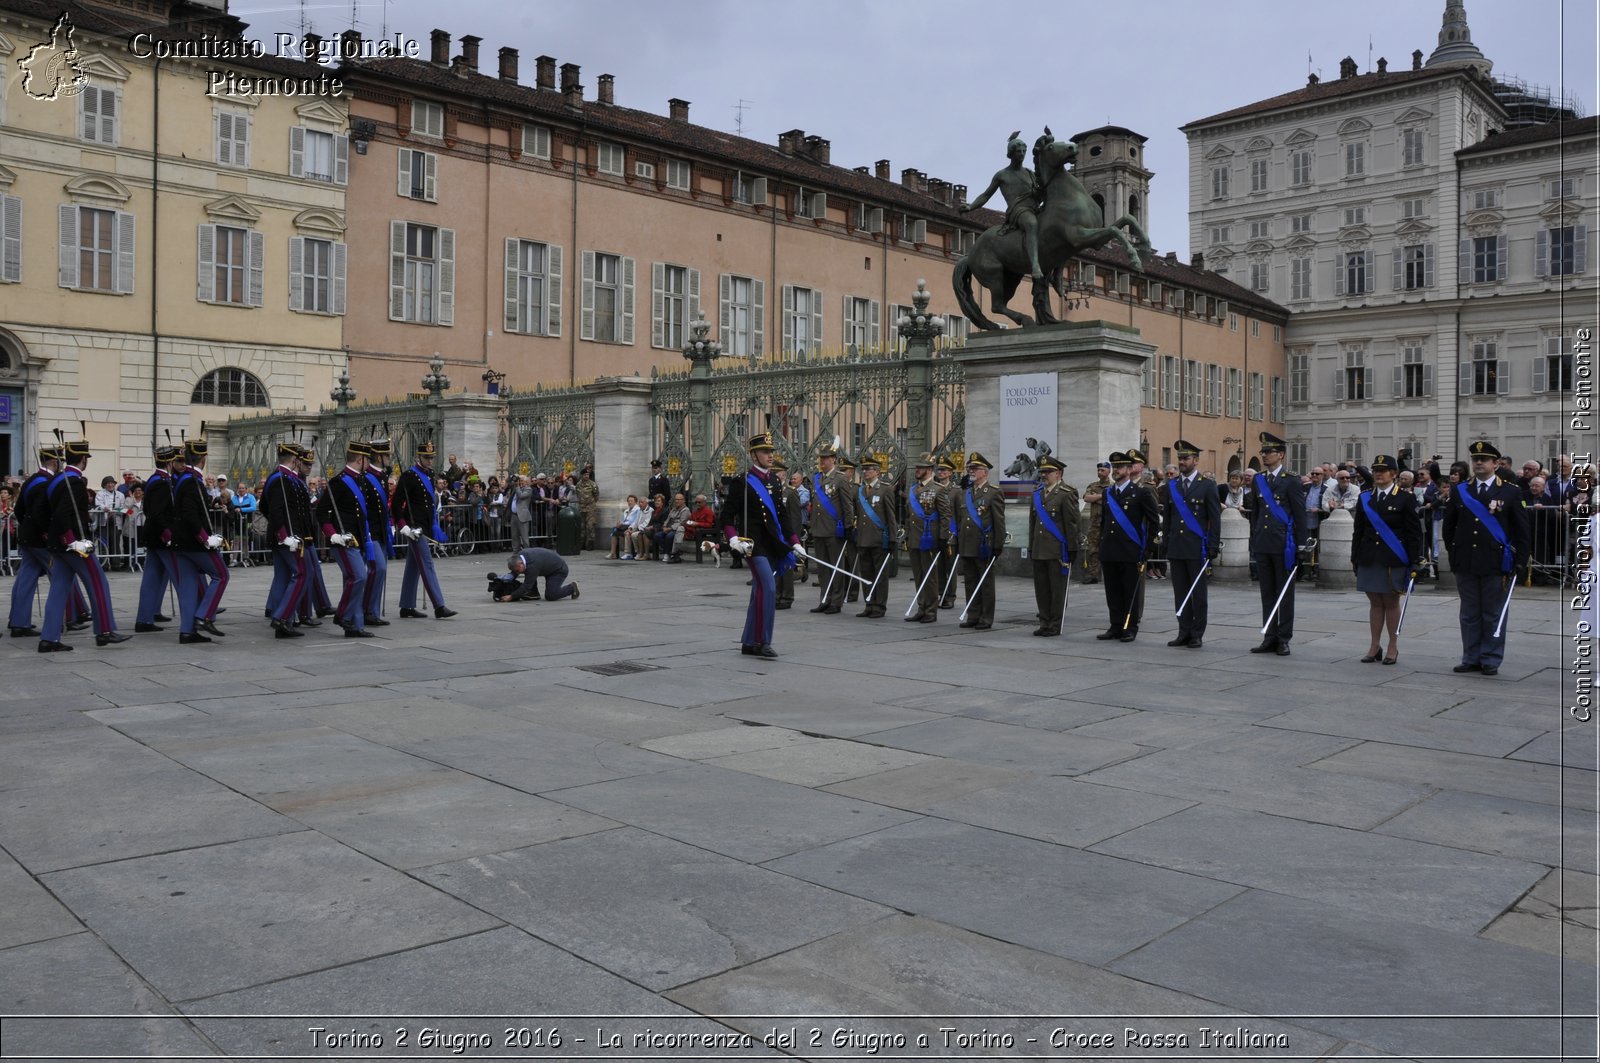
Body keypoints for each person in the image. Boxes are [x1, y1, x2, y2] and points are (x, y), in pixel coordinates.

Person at [1442, 440, 1530, 676]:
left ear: (1496, 463)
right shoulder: (1461, 490)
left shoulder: (1511, 491)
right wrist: (1454, 552)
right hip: (1467, 561)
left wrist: (1521, 561)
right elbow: (1448, 526)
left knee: (1493, 613)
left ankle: (1490, 658)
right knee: (1469, 613)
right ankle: (1470, 656)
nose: (1478, 463)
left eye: (1484, 459)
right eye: (1475, 459)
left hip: (1496, 562)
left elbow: (1522, 530)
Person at [39, 435, 129, 651]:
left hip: (58, 545)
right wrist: (72, 541)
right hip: (74, 545)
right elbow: (63, 514)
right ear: (83, 459)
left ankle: (48, 638)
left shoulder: (56, 480)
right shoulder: (75, 482)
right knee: (98, 583)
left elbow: (46, 513)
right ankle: (104, 631)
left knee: (59, 589)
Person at [725, 432, 803, 658]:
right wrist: (732, 538)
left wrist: (794, 542)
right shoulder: (742, 482)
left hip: (772, 544)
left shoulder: (775, 482)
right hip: (751, 544)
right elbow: (727, 516)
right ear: (753, 455)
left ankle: (749, 641)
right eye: (764, 452)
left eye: (771, 451)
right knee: (768, 588)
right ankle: (762, 641)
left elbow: (782, 516)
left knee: (759, 590)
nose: (770, 456)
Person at [1350, 454, 1423, 665]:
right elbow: (1359, 531)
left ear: (1394, 474)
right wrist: (1355, 557)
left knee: (1391, 602)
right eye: (1375, 470)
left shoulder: (1405, 498)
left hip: (1394, 558)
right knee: (1374, 602)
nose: (1378, 473)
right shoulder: (1366, 497)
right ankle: (1374, 645)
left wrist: (1415, 560)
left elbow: (1413, 533)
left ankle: (1393, 645)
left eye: (1383, 470)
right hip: (1369, 557)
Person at [1245, 431, 1309, 656]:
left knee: (1285, 594)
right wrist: (1254, 539)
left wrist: (1301, 546)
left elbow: (1300, 515)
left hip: (1285, 544)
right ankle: (1269, 636)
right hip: (1264, 543)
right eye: (1262, 452)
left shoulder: (1291, 480)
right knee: (1267, 593)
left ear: (1280, 454)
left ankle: (1284, 638)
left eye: (1268, 452)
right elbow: (1256, 513)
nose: (1264, 455)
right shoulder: (1259, 480)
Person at [960, 130, 1044, 280]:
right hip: (1018, 210)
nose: (1022, 153)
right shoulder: (1002, 175)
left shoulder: (1030, 173)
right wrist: (971, 207)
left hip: (1035, 207)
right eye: (1018, 151)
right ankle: (1035, 264)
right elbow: (986, 195)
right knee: (1031, 224)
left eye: (1024, 150)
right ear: (1011, 153)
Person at [1163, 440, 1221, 649]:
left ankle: (1197, 633)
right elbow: (1168, 518)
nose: (1182, 462)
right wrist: (1167, 543)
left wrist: (1213, 545)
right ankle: (1183, 630)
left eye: (1186, 458)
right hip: (1177, 546)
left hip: (1198, 546)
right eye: (1180, 458)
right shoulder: (1171, 486)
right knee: (1180, 592)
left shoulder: (1206, 485)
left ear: (1196, 461)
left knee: (1197, 593)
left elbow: (1214, 518)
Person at [170, 434, 228, 640]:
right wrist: (205, 538)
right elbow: (189, 514)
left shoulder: (184, 478)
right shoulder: (192, 481)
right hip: (194, 542)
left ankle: (187, 631)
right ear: (202, 458)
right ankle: (204, 616)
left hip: (182, 542)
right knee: (221, 575)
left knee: (188, 587)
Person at [393, 439, 457, 620]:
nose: (430, 461)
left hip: (425, 528)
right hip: (414, 528)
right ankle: (439, 605)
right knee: (427, 564)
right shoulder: (409, 476)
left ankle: (406, 606)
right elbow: (397, 505)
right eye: (426, 457)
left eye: (431, 457)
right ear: (418, 457)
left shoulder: (429, 475)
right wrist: (403, 526)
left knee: (413, 567)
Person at [1097, 451, 1157, 643]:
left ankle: (1129, 627)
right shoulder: (1108, 493)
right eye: (1114, 467)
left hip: (1131, 550)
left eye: (1120, 467)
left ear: (1130, 469)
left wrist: (1148, 548)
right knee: (1112, 591)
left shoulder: (1141, 492)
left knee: (1130, 592)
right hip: (1110, 550)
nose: (1116, 471)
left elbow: (1154, 522)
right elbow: (1104, 521)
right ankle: (1115, 625)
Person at [317, 441, 374, 637]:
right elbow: (322, 512)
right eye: (367, 460)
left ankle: (354, 625)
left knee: (356, 579)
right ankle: (342, 615)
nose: (370, 463)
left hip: (357, 539)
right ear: (360, 459)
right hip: (343, 539)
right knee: (359, 576)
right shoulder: (339, 482)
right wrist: (332, 534)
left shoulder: (361, 480)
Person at [8, 444, 63, 639]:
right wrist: (44, 532)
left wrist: (28, 528)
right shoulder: (46, 482)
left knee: (26, 578)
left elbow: (19, 510)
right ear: (55, 462)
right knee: (61, 574)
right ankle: (72, 615)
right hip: (39, 539)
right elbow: (41, 513)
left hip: (27, 535)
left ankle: (18, 621)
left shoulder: (32, 480)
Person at [263, 441, 315, 638]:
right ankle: (282, 618)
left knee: (285, 577)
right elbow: (273, 510)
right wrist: (284, 536)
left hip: (291, 536)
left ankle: (282, 618)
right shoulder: (280, 479)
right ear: (294, 460)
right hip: (288, 539)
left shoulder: (287, 478)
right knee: (302, 574)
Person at [1027, 454, 1078, 637]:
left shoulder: (1066, 493)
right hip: (1040, 549)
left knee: (1057, 589)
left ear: (1059, 473)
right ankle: (1044, 621)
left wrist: (1072, 548)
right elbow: (1032, 523)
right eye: (1042, 472)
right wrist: (1031, 546)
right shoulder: (1037, 493)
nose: (1044, 475)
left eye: (1048, 472)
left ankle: (1055, 624)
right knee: (1041, 589)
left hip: (1057, 550)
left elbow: (1071, 524)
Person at [954, 453, 1006, 630]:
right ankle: (973, 614)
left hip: (984, 544)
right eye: (970, 468)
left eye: (974, 468)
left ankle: (986, 617)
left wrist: (998, 545)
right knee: (970, 581)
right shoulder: (966, 493)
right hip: (967, 543)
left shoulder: (993, 492)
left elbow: (998, 521)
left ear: (985, 472)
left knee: (985, 583)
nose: (971, 471)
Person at [807, 443, 856, 615]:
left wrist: (848, 526)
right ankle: (824, 598)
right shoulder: (817, 478)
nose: (822, 461)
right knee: (823, 568)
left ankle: (836, 600)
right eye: (821, 458)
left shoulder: (840, 478)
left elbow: (847, 505)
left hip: (834, 529)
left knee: (836, 566)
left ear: (833, 460)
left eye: (826, 458)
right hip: (819, 529)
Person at [851, 454, 899, 618]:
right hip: (863, 538)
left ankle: (879, 605)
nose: (865, 472)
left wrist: (893, 538)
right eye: (863, 469)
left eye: (868, 469)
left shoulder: (885, 489)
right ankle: (869, 603)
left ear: (877, 472)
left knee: (880, 575)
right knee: (866, 574)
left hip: (879, 539)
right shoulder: (861, 490)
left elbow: (891, 517)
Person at [904, 454, 944, 623]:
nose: (917, 470)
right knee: (919, 575)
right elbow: (908, 516)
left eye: (920, 468)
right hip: (914, 537)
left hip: (929, 538)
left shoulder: (939, 490)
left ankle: (931, 610)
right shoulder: (913, 489)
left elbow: (945, 516)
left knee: (930, 576)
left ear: (929, 470)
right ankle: (921, 606)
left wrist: (943, 538)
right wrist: (906, 534)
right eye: (916, 467)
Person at [361, 437, 395, 625]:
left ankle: (372, 611)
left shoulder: (381, 476)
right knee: (378, 568)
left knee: (381, 570)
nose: (389, 458)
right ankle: (366, 609)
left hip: (381, 530)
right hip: (370, 531)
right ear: (378, 457)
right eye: (386, 455)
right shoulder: (367, 478)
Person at [771, 458, 803, 606]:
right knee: (776, 565)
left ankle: (787, 597)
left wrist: (793, 539)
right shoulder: (771, 491)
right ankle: (777, 595)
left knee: (787, 566)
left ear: (783, 476)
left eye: (775, 473)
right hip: (774, 535)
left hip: (786, 535)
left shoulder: (790, 493)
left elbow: (796, 518)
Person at [498, 546, 580, 602]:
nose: (518, 573)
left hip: (558, 570)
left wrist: (511, 596)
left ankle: (572, 588)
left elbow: (527, 585)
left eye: (517, 570)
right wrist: (511, 576)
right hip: (548, 565)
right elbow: (519, 569)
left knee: (551, 595)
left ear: (520, 564)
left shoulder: (533, 565)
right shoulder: (519, 556)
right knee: (528, 572)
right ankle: (534, 593)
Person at [934, 453, 961, 608]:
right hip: (937, 533)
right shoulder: (934, 489)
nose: (941, 473)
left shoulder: (956, 491)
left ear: (951, 473)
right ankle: (941, 593)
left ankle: (950, 596)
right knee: (939, 567)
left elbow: (959, 514)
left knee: (950, 567)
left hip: (951, 535)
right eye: (939, 470)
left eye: (945, 470)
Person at [1080, 460, 1112, 584]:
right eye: (1098, 470)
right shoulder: (1093, 485)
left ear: (1109, 471)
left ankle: (1109, 575)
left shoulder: (1113, 486)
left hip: (1109, 524)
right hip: (1095, 524)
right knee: (1093, 550)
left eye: (1102, 470)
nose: (1100, 472)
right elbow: (1087, 497)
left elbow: (1113, 500)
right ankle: (1093, 575)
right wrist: (1102, 497)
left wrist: (1096, 497)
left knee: (1110, 549)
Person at [576, 468, 600, 551]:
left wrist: (591, 503)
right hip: (582, 508)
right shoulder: (578, 484)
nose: (586, 476)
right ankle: (581, 544)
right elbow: (578, 494)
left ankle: (590, 545)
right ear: (582, 475)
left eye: (588, 475)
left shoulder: (592, 484)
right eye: (585, 475)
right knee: (582, 527)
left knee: (590, 526)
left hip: (591, 509)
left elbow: (596, 496)